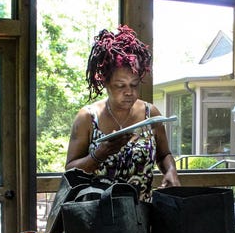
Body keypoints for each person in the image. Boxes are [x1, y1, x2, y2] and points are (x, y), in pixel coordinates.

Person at [65, 25, 180, 201]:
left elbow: (164, 154)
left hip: (140, 217)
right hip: (96, 218)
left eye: (134, 84)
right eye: (120, 85)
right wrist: (99, 154)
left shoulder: (151, 114)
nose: (129, 92)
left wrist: (171, 170)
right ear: (105, 82)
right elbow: (70, 170)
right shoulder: (88, 118)